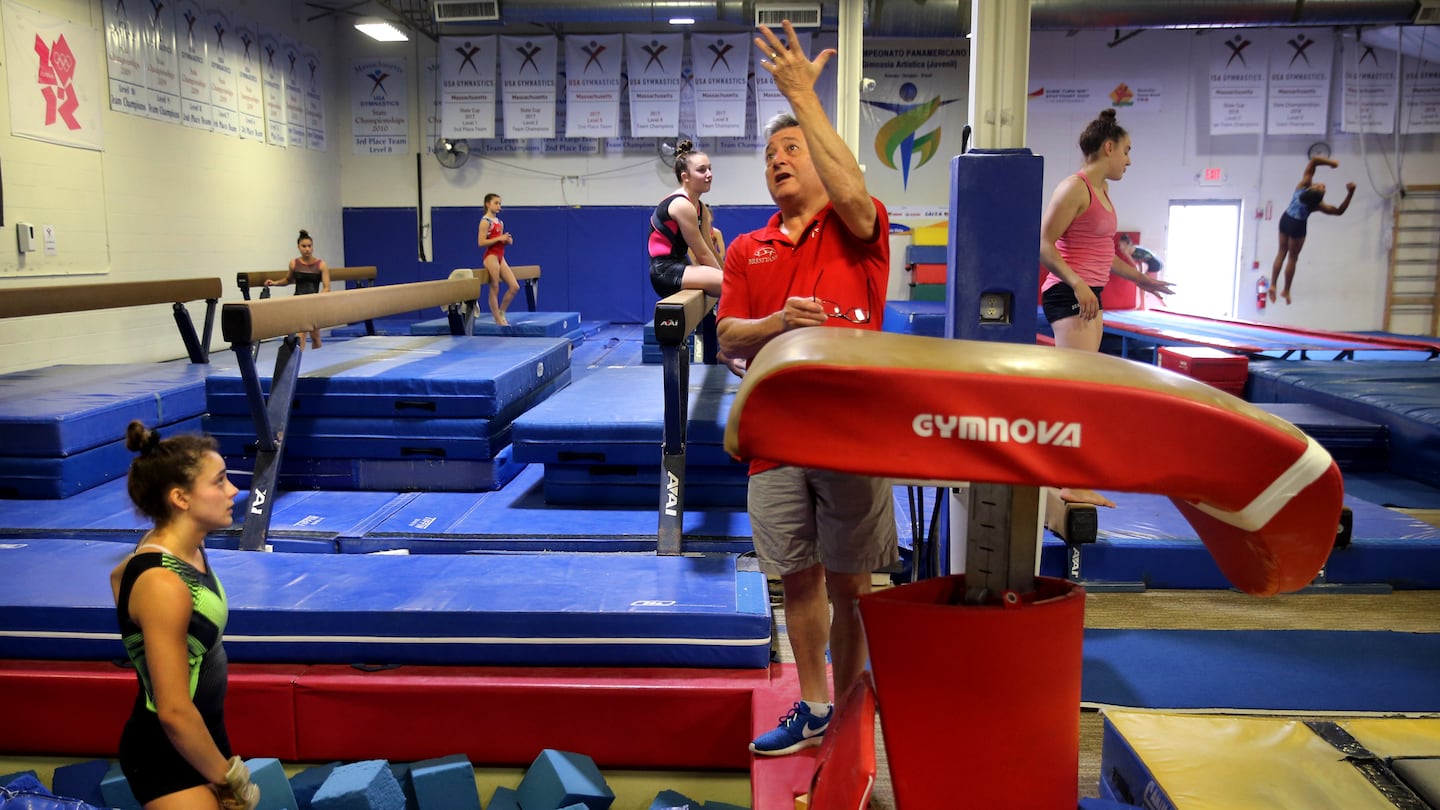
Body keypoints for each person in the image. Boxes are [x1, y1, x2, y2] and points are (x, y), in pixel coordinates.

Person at [716, 21, 898, 758]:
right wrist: (774, 323)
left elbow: (852, 187)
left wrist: (800, 99)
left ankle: (854, 704)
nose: (778, 161)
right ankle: (816, 706)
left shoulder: (861, 228)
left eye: (792, 149)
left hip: (849, 430)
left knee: (853, 582)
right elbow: (726, 335)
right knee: (796, 578)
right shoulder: (745, 247)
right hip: (777, 437)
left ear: (821, 161)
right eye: (769, 155)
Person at [110, 421, 258, 810]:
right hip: (165, 748)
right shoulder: (164, 582)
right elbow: (173, 710)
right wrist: (231, 781)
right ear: (181, 498)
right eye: (220, 481)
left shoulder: (186, 551)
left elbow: (118, 576)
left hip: (203, 735)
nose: (234, 491)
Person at [1039, 109, 1173, 508]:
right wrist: (1078, 283)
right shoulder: (1074, 188)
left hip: (1088, 295)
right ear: (1108, 147)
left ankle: (1067, 473)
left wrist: (1140, 279)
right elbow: (1044, 245)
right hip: (1069, 294)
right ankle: (1070, 479)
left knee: (1082, 389)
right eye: (1127, 151)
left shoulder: (1103, 194)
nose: (1129, 161)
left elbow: (1101, 252)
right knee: (1080, 392)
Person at [1270, 157, 1355, 305]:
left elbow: (1314, 161)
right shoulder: (1317, 206)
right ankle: (1286, 290)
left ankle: (1273, 284)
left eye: (1322, 188)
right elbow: (1339, 211)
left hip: (1286, 218)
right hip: (1297, 225)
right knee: (1292, 258)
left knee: (1281, 252)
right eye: (1321, 188)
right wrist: (1350, 192)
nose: (1323, 185)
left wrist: (1331, 163)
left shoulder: (1301, 186)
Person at [648, 140, 724, 298]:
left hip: (683, 266)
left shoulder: (700, 207)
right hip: (664, 272)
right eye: (701, 170)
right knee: (733, 286)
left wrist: (726, 273)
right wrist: (727, 279)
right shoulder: (681, 205)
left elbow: (710, 249)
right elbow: (702, 254)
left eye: (710, 168)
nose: (709, 174)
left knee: (735, 281)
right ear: (686, 177)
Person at [265, 229, 331, 349]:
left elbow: (327, 287)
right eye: (304, 246)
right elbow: (288, 280)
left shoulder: (321, 265)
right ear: (298, 247)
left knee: (315, 336)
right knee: (301, 334)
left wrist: (319, 298)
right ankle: (299, 363)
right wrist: (274, 283)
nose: (307, 249)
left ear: (313, 247)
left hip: (313, 302)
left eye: (309, 246)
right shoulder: (294, 264)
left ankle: (318, 361)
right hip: (298, 302)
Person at [478, 193, 520, 326]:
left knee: (514, 287)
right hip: (491, 257)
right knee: (495, 287)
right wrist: (499, 238)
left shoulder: (500, 222)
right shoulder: (485, 221)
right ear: (488, 204)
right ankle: (497, 319)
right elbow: (481, 242)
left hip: (501, 256)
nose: (499, 206)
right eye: (496, 203)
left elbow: (499, 241)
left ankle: (501, 312)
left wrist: (506, 240)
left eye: (500, 203)